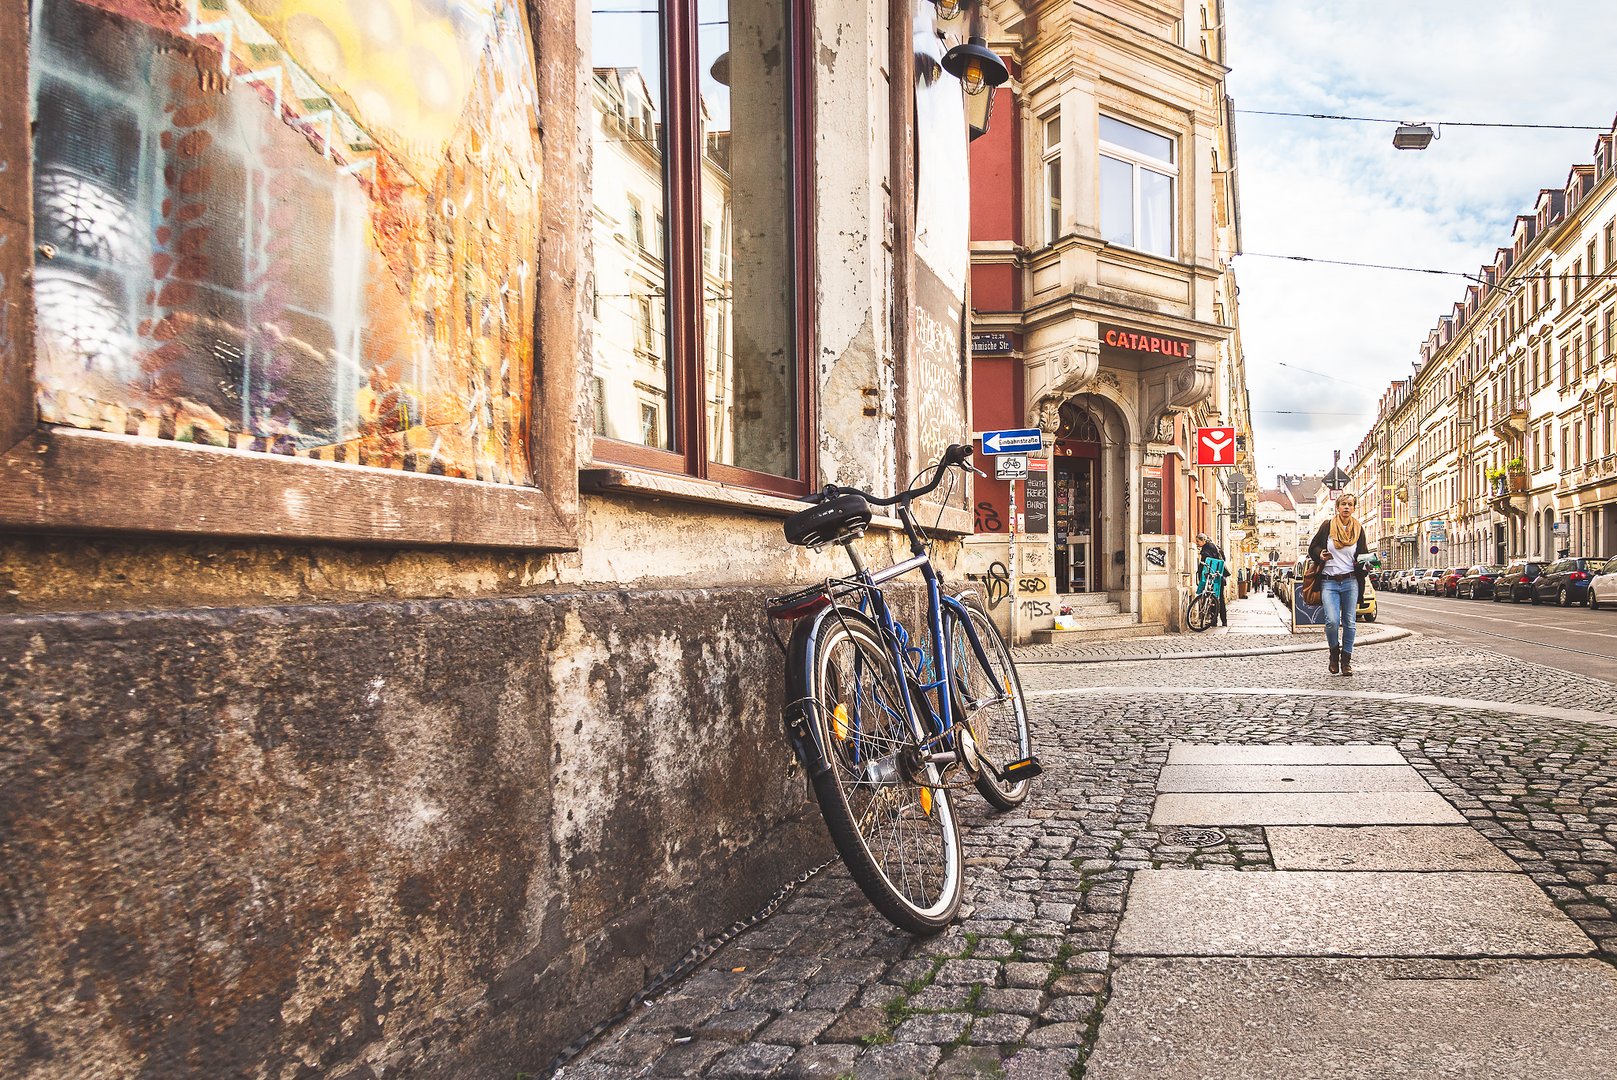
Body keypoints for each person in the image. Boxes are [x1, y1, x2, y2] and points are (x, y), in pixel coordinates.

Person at [1307, 493, 1370, 676]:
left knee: (1349, 622)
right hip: (1329, 581)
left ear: (1354, 508)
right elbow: (1313, 547)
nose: (1346, 507)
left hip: (1350, 581)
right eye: (1343, 504)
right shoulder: (1327, 526)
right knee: (1332, 621)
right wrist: (1320, 554)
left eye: (1350, 504)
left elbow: (1363, 554)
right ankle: (1334, 654)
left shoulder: (1358, 529)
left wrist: (1367, 564)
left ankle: (1346, 661)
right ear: (1337, 507)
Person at [1195, 532, 1229, 627]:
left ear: (1203, 541)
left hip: (1211, 577)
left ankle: (1214, 621)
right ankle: (1224, 621)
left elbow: (1204, 565)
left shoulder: (1205, 550)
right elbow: (1223, 559)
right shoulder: (1216, 547)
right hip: (1219, 577)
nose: (1197, 543)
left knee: (1211, 599)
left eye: (1198, 541)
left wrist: (1202, 578)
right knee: (1220, 599)